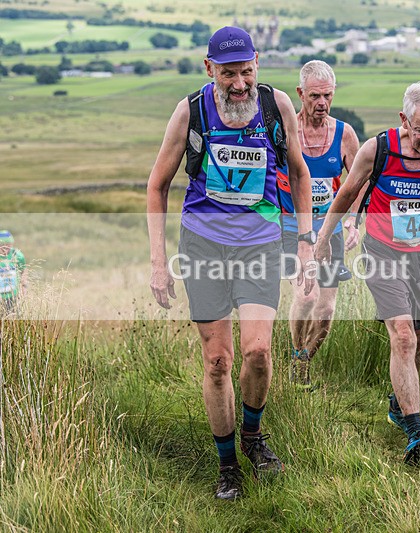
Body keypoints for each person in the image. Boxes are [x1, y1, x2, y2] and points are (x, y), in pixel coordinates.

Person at [146, 26, 315, 501]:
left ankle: (253, 435)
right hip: (203, 248)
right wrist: (159, 263)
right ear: (209, 69)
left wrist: (305, 242)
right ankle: (227, 467)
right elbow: (156, 185)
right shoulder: (191, 111)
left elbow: (300, 174)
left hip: (260, 246)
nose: (238, 84)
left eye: (245, 72)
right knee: (218, 361)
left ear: (256, 64)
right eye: (227, 74)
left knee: (258, 352)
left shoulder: (275, 106)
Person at [315, 80, 420, 465]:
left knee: (418, 336)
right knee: (401, 335)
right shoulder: (377, 149)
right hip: (383, 252)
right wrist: (322, 238)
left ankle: (399, 404)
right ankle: (415, 431)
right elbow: (346, 194)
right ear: (403, 120)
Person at [276, 60, 360, 389]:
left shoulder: (345, 134)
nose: (321, 103)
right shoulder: (285, 133)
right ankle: (297, 356)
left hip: (331, 230)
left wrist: (352, 221)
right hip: (293, 229)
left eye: (327, 95)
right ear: (300, 94)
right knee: (306, 297)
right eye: (314, 96)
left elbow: (357, 182)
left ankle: (305, 359)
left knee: (325, 314)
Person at [0, 230, 26, 315]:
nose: (5, 248)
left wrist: (23, 289)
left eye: (8, 245)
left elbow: (23, 271)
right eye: (2, 245)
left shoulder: (18, 256)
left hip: (14, 296)